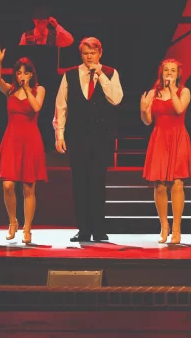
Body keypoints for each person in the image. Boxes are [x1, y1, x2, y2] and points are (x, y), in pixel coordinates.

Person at [54, 37, 124, 243]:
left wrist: (101, 75)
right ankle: (83, 229)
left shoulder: (110, 73)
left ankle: (99, 229)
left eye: (92, 53)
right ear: (81, 54)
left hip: (101, 137)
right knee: (80, 184)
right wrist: (60, 134)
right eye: (85, 53)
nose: (89, 57)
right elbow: (61, 106)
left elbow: (116, 99)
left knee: (97, 182)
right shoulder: (70, 75)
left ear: (99, 53)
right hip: (77, 136)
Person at [0, 45, 47, 245]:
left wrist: (27, 89)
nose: (21, 75)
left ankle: (28, 228)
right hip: (12, 140)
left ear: (31, 74)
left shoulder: (39, 90)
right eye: (18, 72)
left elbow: (36, 107)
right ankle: (13, 221)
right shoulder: (10, 90)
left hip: (30, 140)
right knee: (7, 185)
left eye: (25, 72)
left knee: (29, 188)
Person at [140, 58, 191, 245]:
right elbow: (147, 121)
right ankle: (164, 226)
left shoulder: (184, 91)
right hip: (159, 137)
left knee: (177, 183)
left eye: (173, 71)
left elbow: (179, 108)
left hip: (178, 136)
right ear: (161, 72)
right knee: (159, 185)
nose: (169, 73)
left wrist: (173, 90)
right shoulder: (153, 93)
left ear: (178, 74)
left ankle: (176, 228)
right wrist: (143, 109)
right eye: (166, 70)